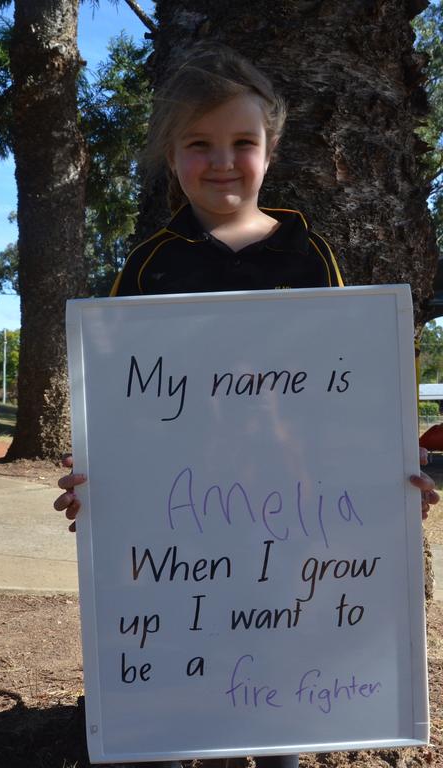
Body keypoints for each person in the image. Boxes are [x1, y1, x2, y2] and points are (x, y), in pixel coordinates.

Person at [53, 43, 439, 768]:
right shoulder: (150, 262)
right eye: (198, 144)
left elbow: (345, 389)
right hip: (173, 509)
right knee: (173, 644)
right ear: (171, 156)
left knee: (282, 643)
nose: (222, 160)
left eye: (242, 142)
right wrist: (95, 477)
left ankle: (282, 749)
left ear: (272, 148)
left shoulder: (310, 254)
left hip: (288, 502)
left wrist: (388, 476)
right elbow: (113, 394)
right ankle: (172, 743)